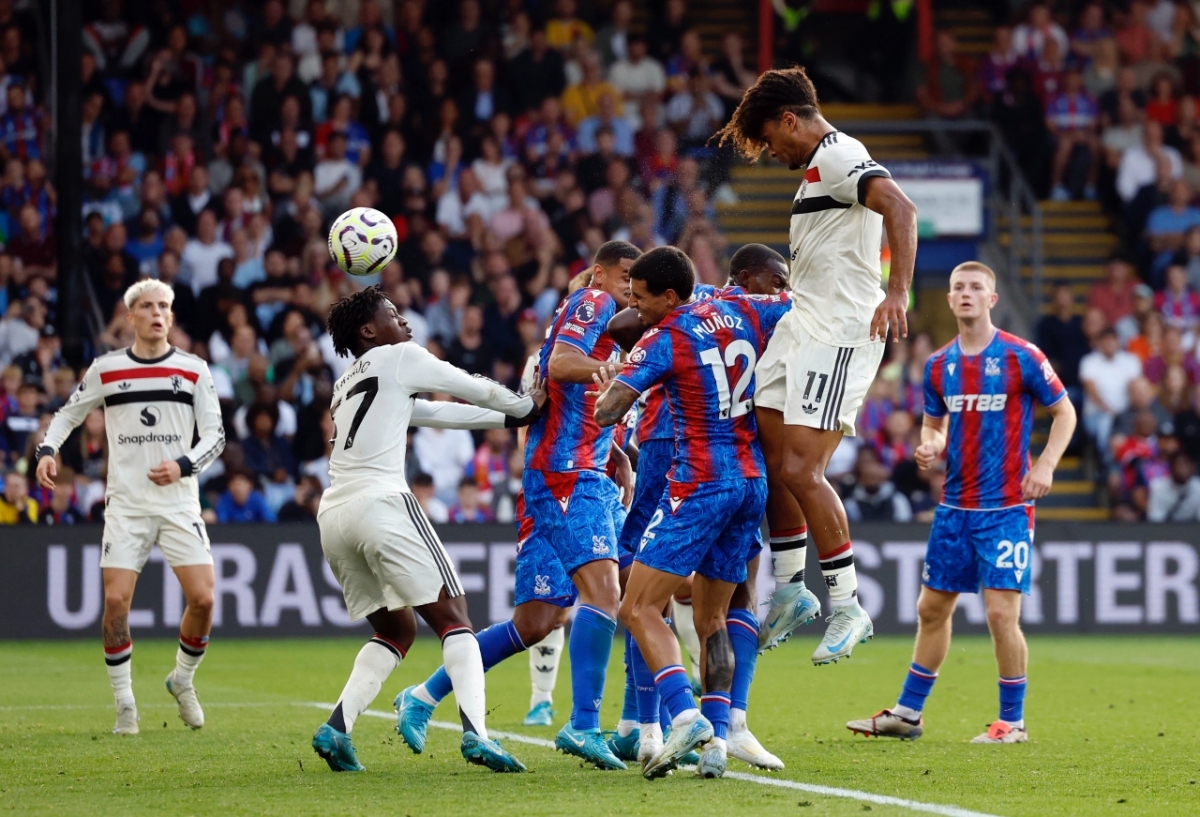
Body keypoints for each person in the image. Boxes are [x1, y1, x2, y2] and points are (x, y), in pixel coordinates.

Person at [396, 242, 640, 772]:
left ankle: (421, 696)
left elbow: (557, 403)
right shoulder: (590, 306)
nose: (627, 291)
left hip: (572, 475)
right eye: (624, 279)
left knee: (536, 623)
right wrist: (604, 369)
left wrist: (616, 451)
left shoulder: (583, 323)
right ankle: (597, 724)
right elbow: (558, 376)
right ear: (598, 278)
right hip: (566, 479)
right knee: (615, 591)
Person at [713, 67, 919, 662]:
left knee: (802, 469)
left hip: (840, 332)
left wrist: (898, 291)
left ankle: (848, 605)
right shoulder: (816, 170)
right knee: (771, 456)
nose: (773, 153)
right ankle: (790, 588)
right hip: (802, 325)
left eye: (772, 141)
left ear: (789, 120)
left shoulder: (838, 154)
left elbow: (900, 209)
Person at [310, 286, 544, 774]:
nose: (407, 323)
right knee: (456, 619)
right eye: (394, 314)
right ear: (370, 330)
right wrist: (524, 408)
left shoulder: (345, 385)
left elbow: (436, 413)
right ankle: (477, 735)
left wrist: (504, 417)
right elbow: (466, 385)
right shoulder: (399, 356)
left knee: (396, 629)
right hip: (381, 502)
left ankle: (336, 727)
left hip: (333, 516)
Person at [846, 261, 1076, 744]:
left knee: (999, 613)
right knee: (931, 609)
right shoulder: (938, 366)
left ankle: (1011, 722)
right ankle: (907, 715)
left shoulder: (1021, 356)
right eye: (958, 288)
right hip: (954, 508)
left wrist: (1047, 465)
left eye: (976, 287)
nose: (967, 294)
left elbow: (1064, 413)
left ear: (992, 299)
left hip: (1008, 506)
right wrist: (931, 443)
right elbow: (934, 424)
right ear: (949, 300)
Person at [588, 246, 791, 779]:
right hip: (752, 480)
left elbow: (611, 406)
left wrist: (609, 381)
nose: (634, 308)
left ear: (670, 296)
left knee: (637, 608)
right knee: (712, 618)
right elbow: (795, 307)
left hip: (700, 481)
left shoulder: (664, 337)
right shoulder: (745, 308)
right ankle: (719, 741)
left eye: (640, 298)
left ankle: (683, 715)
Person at [34, 280, 226, 735]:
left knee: (204, 598)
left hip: (179, 503)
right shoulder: (107, 369)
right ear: (131, 317)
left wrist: (182, 466)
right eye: (147, 306)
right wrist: (47, 449)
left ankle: (182, 680)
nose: (157, 313)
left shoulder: (194, 369)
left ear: (172, 318)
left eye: (164, 306)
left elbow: (215, 436)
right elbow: (68, 414)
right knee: (116, 602)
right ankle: (125, 704)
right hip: (127, 507)